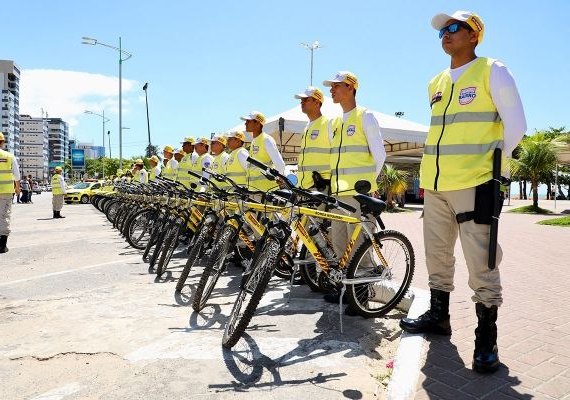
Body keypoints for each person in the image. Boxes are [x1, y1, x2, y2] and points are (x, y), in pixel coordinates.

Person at [399, 11, 526, 374]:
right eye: (442, 30)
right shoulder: (435, 82)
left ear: (474, 35)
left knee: (481, 264)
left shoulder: (491, 69)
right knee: (437, 257)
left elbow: (515, 125)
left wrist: (493, 174)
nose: (446, 34)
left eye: (454, 28)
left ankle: (487, 337)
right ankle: (439, 317)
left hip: (475, 184)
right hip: (436, 185)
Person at [322, 71, 386, 310]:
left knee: (360, 245)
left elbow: (380, 155)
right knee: (340, 243)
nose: (332, 90)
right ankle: (346, 289)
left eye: (336, 86)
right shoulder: (335, 123)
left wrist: (368, 187)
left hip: (359, 195)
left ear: (350, 87)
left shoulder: (365, 116)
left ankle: (361, 294)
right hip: (339, 195)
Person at [294, 86, 331, 192]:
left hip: (321, 187)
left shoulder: (328, 123)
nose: (302, 102)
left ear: (317, 102)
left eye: (306, 99)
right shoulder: (307, 127)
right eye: (301, 100)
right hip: (304, 187)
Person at [241, 111, 285, 191]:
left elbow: (280, 164)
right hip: (256, 190)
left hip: (267, 190)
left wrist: (279, 178)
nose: (245, 123)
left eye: (248, 121)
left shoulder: (266, 140)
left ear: (257, 123)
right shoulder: (255, 141)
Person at [0, 132, 21, 253]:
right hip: (6, 192)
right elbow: (17, 176)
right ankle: (2, 245)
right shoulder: (9, 156)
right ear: (2, 142)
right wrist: (17, 189)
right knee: (4, 216)